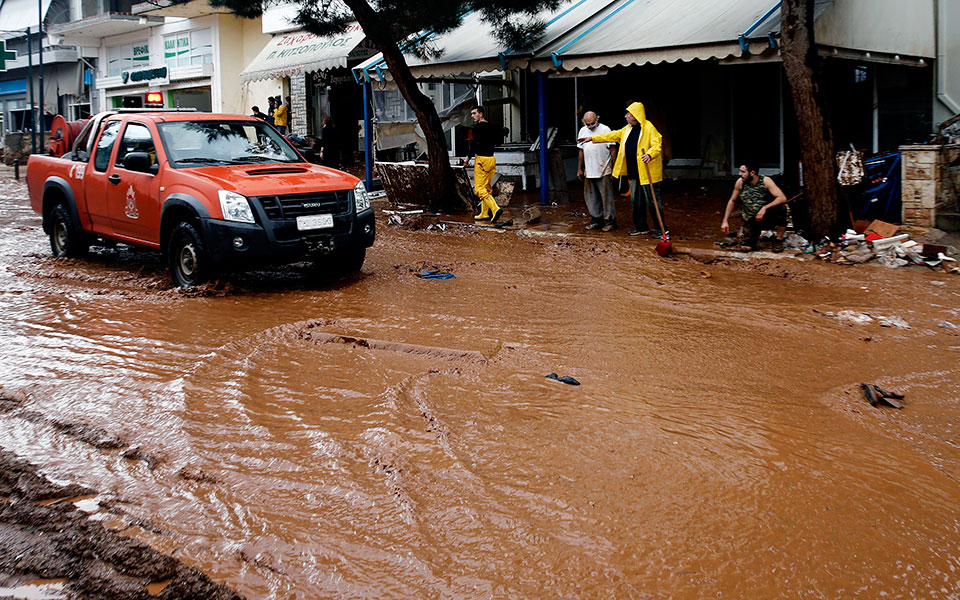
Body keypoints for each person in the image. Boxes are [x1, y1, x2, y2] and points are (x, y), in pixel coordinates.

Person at [580, 101, 665, 237]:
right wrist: (592, 138)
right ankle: (641, 227)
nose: (626, 116)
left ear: (635, 115)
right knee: (636, 202)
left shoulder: (649, 128)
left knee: (653, 202)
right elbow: (612, 135)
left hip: (648, 173)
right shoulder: (627, 129)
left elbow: (657, 144)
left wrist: (650, 154)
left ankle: (661, 229)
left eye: (628, 114)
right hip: (635, 173)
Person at [721, 161, 788, 252]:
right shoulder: (740, 182)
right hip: (751, 218)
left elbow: (782, 198)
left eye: (743, 172)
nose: (739, 174)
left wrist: (764, 208)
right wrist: (725, 220)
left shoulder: (765, 181)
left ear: (752, 173)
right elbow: (732, 201)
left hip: (765, 215)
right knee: (746, 248)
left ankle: (778, 239)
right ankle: (751, 237)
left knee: (781, 208)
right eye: (740, 171)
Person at [576, 111, 618, 231]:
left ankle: (610, 221)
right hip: (589, 169)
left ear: (597, 119)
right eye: (587, 124)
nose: (590, 126)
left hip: (604, 168)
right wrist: (579, 168)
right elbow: (581, 151)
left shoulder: (605, 129)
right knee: (591, 197)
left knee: (606, 197)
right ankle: (596, 219)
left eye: (592, 123)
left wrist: (613, 167)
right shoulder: (582, 131)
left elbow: (613, 149)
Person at [462, 105, 502, 223]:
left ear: (481, 114)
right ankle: (484, 213)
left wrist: (467, 158)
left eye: (474, 113)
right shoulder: (492, 127)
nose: (472, 116)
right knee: (487, 188)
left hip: (481, 160)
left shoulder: (477, 128)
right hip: (491, 159)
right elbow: (499, 139)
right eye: (472, 114)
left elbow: (473, 145)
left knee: (479, 189)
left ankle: (495, 209)